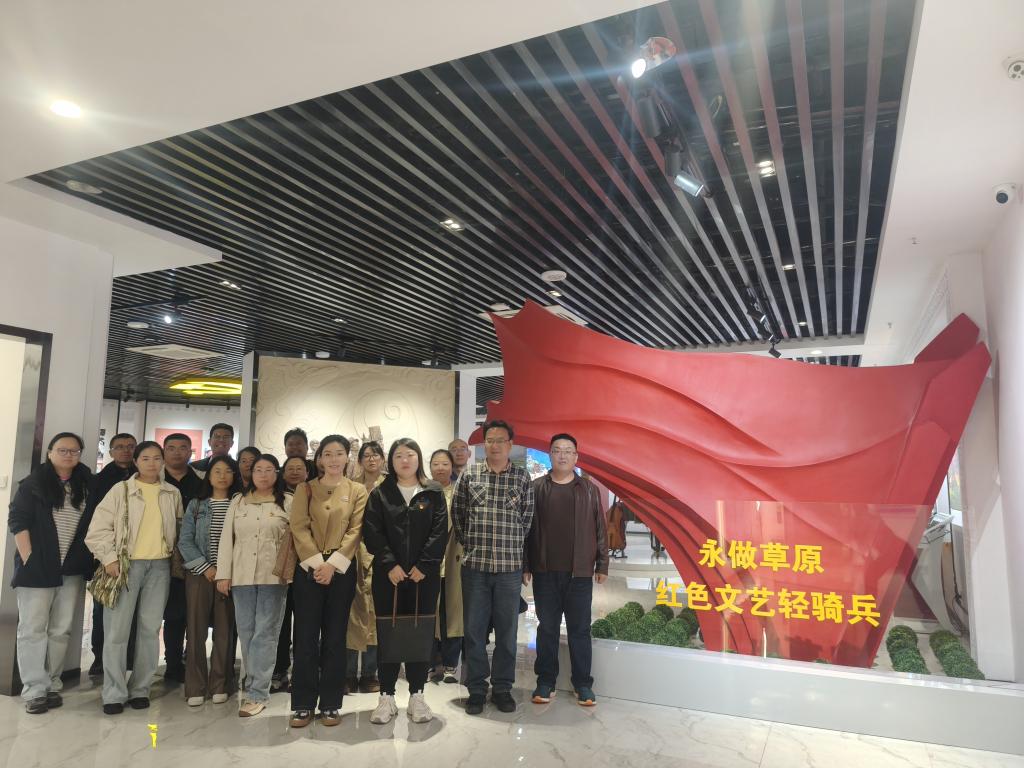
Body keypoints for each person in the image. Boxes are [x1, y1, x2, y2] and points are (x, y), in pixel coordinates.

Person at [85, 441, 182, 715]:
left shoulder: (171, 492)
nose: (152, 463)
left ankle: (140, 689)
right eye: (146, 458)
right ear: (136, 461)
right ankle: (113, 693)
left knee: (150, 630)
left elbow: (178, 527)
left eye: (157, 458)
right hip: (125, 566)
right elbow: (97, 529)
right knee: (117, 631)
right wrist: (109, 558)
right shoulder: (121, 490)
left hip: (160, 567)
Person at [362, 439, 447, 725]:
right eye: (398, 456)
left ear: (418, 458)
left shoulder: (432, 492)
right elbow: (372, 531)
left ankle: (417, 695)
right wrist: (390, 564)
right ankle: (386, 696)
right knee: (389, 633)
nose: (405, 460)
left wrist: (424, 565)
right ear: (391, 461)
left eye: (410, 455)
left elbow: (440, 531)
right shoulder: (380, 493)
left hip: (424, 577)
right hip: (389, 577)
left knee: (420, 632)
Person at [451, 420, 534, 715]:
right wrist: (472, 544)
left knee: (508, 633)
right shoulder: (470, 475)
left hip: (509, 570)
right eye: (490, 440)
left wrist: (513, 550)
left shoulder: (522, 478)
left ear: (510, 445)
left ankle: (502, 688)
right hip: (475, 568)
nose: (495, 445)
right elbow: (458, 515)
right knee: (474, 632)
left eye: (500, 440)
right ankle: (476, 689)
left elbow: (527, 521)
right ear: (483, 444)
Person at [8, 432, 94, 714]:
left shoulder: (87, 485)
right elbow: (18, 521)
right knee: (32, 629)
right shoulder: (32, 484)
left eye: (74, 451)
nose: (69, 455)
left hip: (71, 568)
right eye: (63, 450)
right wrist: (29, 558)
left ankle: (52, 682)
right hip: (37, 567)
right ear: (49, 452)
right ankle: (34, 689)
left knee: (61, 629)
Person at [288, 435, 367, 728]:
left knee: (335, 638)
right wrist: (317, 563)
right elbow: (298, 527)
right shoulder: (305, 488)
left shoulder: (357, 490)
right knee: (305, 637)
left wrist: (332, 565)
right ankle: (302, 704)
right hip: (309, 569)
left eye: (339, 453)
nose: (334, 459)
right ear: (319, 458)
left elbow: (356, 531)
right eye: (328, 454)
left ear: (347, 457)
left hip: (341, 570)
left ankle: (331, 703)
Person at [524, 433, 608, 707]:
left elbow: (600, 528)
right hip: (545, 572)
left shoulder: (588, 489)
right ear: (550, 455)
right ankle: (545, 681)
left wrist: (602, 563)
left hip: (579, 573)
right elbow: (526, 530)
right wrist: (526, 564)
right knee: (547, 628)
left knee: (579, 629)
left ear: (576, 457)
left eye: (568, 451)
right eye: (557, 450)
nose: (562, 455)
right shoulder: (536, 488)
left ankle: (582, 683)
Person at [216, 454, 290, 717]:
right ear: (251, 473)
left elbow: (296, 540)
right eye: (258, 469)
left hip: (274, 577)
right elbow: (227, 539)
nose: (263, 474)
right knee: (247, 631)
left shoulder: (287, 502)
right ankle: (252, 682)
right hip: (242, 576)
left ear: (276, 474)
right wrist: (223, 574)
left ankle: (258, 692)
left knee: (266, 633)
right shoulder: (238, 501)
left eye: (269, 470)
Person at [178, 455, 239, 706]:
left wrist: (225, 571)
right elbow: (184, 541)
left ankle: (220, 684)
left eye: (228, 471)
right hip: (199, 575)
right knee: (195, 631)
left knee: (225, 632)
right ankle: (195, 686)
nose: (222, 476)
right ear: (209, 475)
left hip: (229, 577)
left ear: (234, 475)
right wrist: (206, 568)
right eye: (217, 471)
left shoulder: (240, 503)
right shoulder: (196, 504)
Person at [84, 432, 136, 676]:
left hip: (136, 554)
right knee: (104, 606)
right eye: (120, 447)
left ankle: (129, 657)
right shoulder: (99, 481)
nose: (126, 450)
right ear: (111, 451)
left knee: (132, 610)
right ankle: (100, 657)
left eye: (130, 446)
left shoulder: (144, 477)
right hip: (106, 554)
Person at [161, 432, 202, 683]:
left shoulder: (201, 482)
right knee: (173, 614)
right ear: (164, 451)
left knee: (193, 612)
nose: (177, 452)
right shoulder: (154, 480)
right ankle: (172, 663)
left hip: (196, 554)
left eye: (183, 448)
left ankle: (192, 660)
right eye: (172, 447)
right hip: (162, 554)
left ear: (190, 452)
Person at [345, 440, 385, 695]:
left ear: (383, 459)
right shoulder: (350, 486)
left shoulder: (390, 486)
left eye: (376, 455)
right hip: (353, 554)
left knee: (375, 616)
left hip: (380, 556)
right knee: (351, 614)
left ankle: (370, 673)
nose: (371, 459)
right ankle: (348, 673)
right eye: (367, 455)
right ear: (359, 460)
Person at [271, 453, 309, 691]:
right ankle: (279, 669)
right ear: (283, 474)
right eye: (290, 468)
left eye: (299, 468)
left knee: (305, 623)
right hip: (281, 568)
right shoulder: (274, 498)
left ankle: (302, 672)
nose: (295, 472)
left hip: (307, 566)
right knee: (281, 622)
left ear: (307, 472)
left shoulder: (313, 495)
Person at [429, 449, 463, 684]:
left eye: (444, 463)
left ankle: (451, 664)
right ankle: (429, 663)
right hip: (428, 563)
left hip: (454, 561)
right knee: (428, 615)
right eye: (436, 464)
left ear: (452, 467)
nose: (440, 468)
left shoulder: (460, 491)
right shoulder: (423, 492)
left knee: (453, 615)